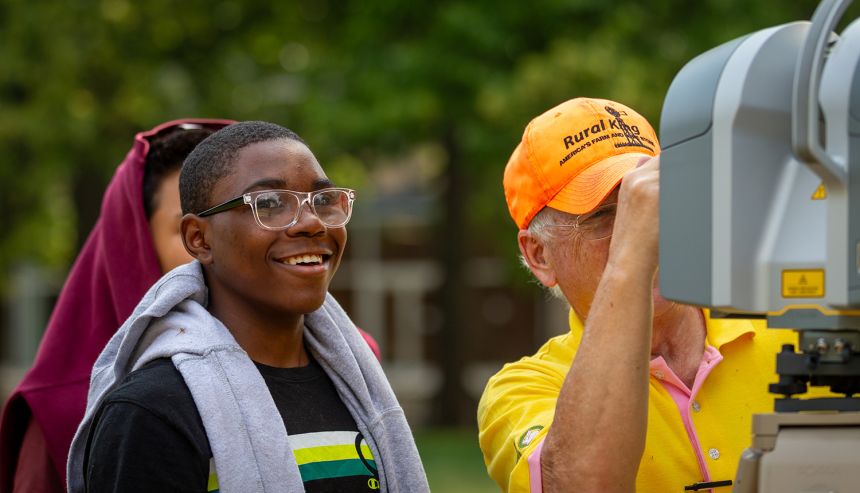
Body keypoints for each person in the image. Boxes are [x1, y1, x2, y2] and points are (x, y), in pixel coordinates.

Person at [476, 97, 833, 492]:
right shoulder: (523, 388)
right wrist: (631, 260)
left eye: (656, 201)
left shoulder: (802, 329)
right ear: (539, 255)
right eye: (602, 216)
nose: (651, 229)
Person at [66, 121, 428, 493]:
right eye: (269, 204)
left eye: (323, 200)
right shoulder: (152, 412)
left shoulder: (357, 386)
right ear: (199, 238)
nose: (311, 223)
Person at [0, 118, 232, 493]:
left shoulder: (350, 366)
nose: (227, 241)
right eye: (191, 229)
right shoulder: (62, 412)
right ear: (134, 245)